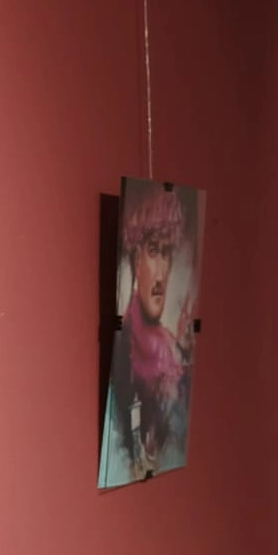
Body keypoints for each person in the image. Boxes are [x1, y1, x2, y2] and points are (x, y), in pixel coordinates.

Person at [102, 183, 193, 482]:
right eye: (153, 250)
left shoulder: (176, 358)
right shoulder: (122, 348)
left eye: (167, 253)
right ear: (134, 258)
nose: (161, 273)